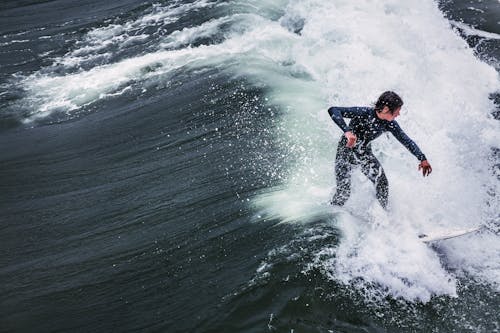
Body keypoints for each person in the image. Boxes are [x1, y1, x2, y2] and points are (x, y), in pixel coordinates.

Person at [328, 91, 432, 209]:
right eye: (398, 110)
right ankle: (330, 214)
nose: (399, 114)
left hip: (363, 154)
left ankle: (383, 218)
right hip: (345, 154)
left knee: (382, 183)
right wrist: (347, 131)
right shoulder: (363, 113)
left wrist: (422, 158)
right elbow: (333, 110)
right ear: (386, 109)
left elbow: (406, 140)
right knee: (343, 193)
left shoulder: (389, 124)